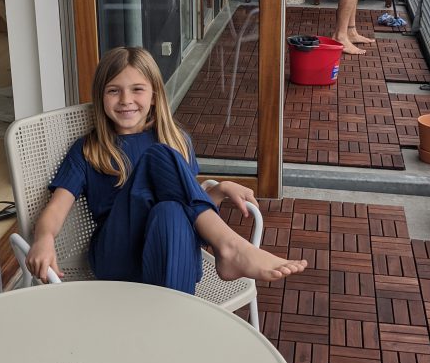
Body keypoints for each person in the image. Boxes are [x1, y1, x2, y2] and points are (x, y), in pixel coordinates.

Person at [26, 46, 308, 290]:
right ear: (101, 97)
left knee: (171, 210)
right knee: (158, 156)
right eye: (113, 91)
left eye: (137, 89)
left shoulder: (176, 139)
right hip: (117, 258)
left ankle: (175, 322)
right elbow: (56, 209)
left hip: (168, 251)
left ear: (153, 95)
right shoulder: (88, 149)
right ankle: (229, 246)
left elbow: (191, 209)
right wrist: (43, 238)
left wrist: (220, 189)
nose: (125, 100)